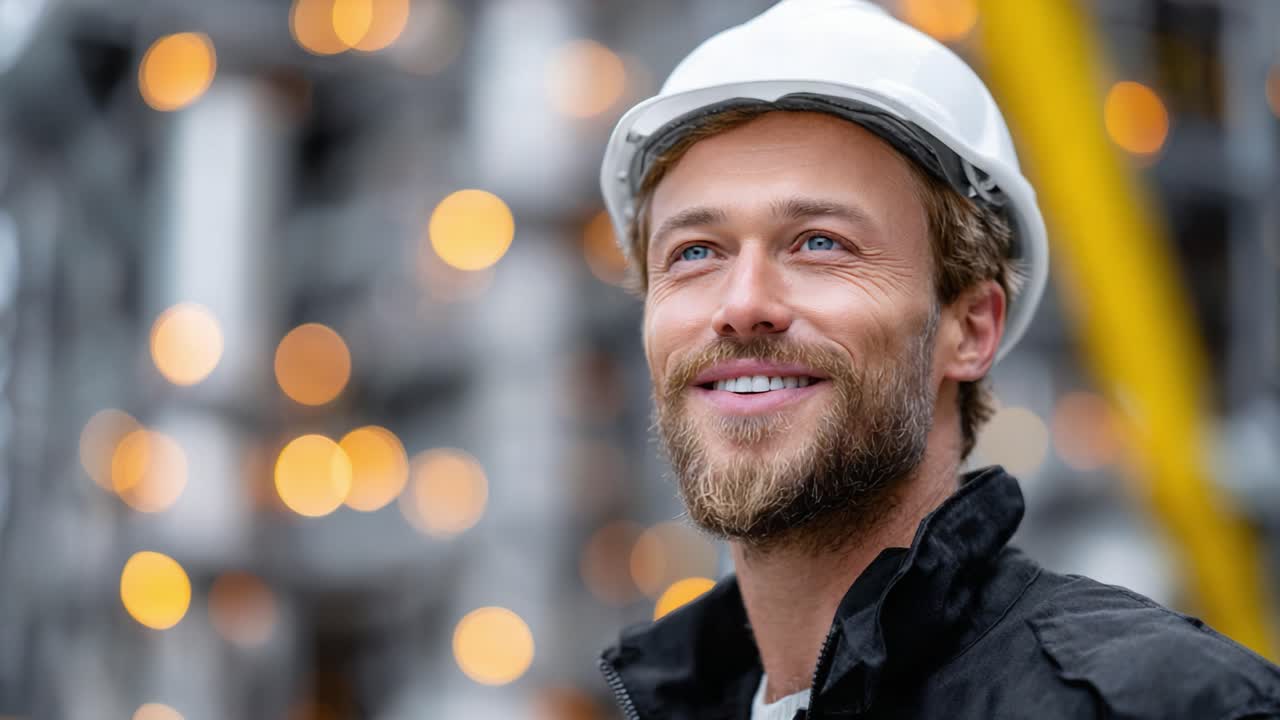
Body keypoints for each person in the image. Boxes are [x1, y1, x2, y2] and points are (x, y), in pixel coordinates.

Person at [594, 1, 1280, 718]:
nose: (741, 303)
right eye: (695, 252)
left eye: (820, 242)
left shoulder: (1170, 704)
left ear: (971, 327)